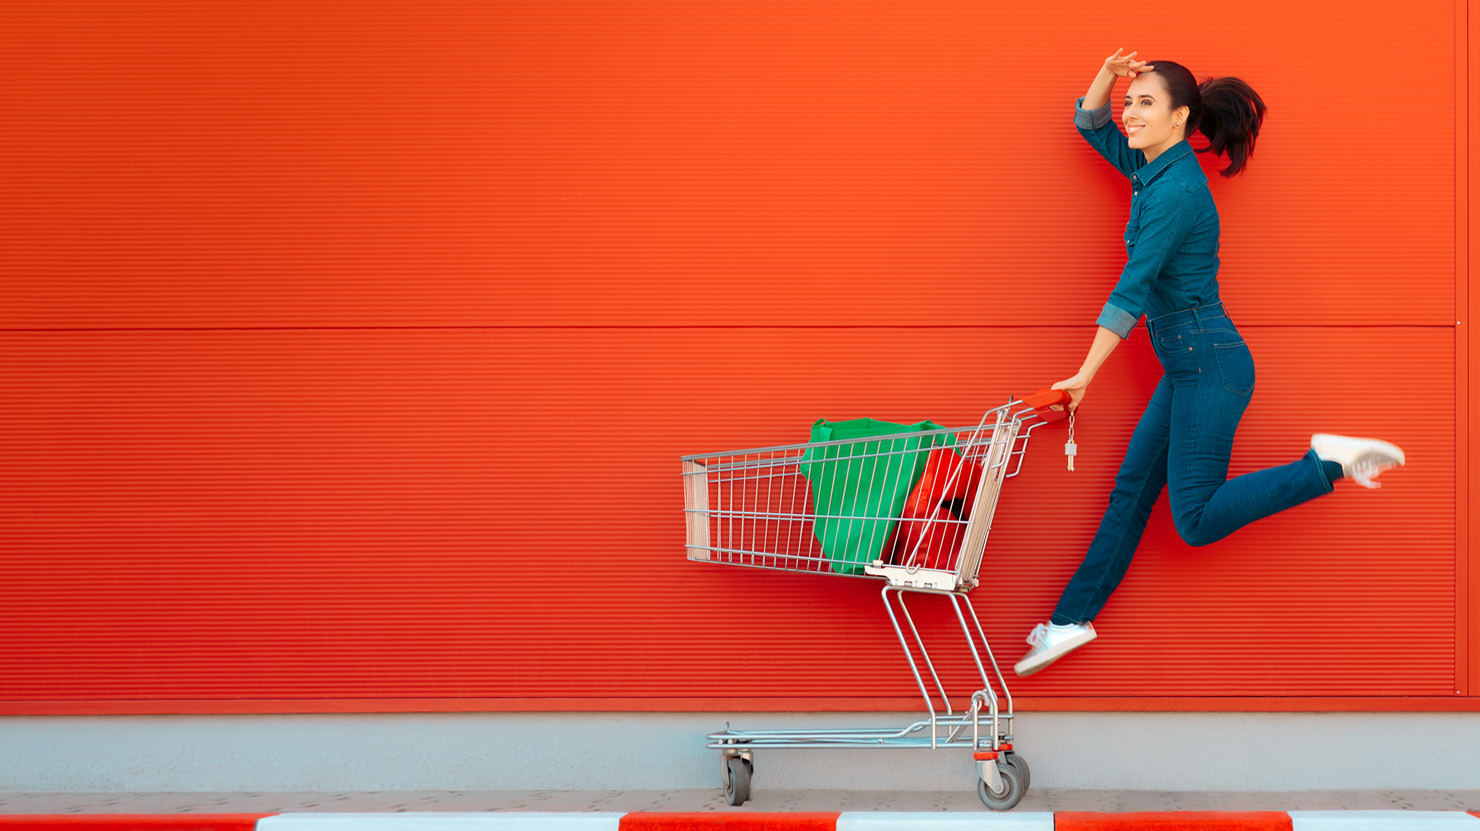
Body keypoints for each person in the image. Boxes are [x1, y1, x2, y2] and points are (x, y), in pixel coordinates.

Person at [1013, 49, 1407, 678]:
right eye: (1130, 103)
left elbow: (1131, 290)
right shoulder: (1151, 170)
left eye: (1145, 103)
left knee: (1192, 521)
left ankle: (1325, 463)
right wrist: (1107, 78)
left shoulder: (1174, 193)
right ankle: (1068, 621)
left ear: (1181, 117)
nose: (1129, 114)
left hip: (1209, 363)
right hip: (1189, 364)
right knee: (1130, 495)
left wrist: (1084, 375)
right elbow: (1090, 125)